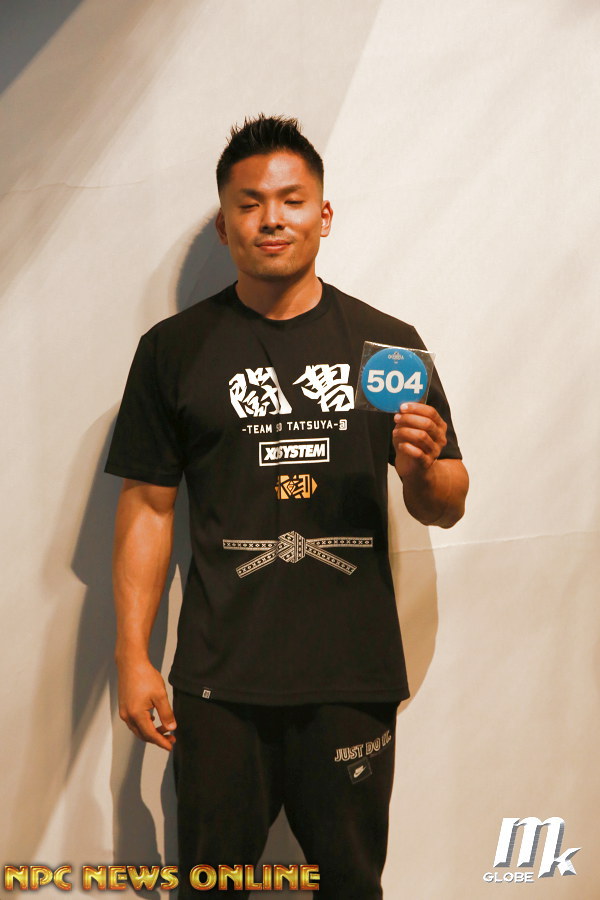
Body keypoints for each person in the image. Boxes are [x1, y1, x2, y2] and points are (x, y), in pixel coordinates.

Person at [105, 114, 469, 898]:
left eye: (292, 200)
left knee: (350, 886)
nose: (272, 218)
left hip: (352, 680)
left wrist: (421, 471)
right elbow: (147, 509)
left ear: (324, 215)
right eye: (250, 203)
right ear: (226, 224)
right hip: (219, 684)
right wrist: (133, 656)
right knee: (214, 887)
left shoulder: (387, 348)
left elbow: (447, 503)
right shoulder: (173, 352)